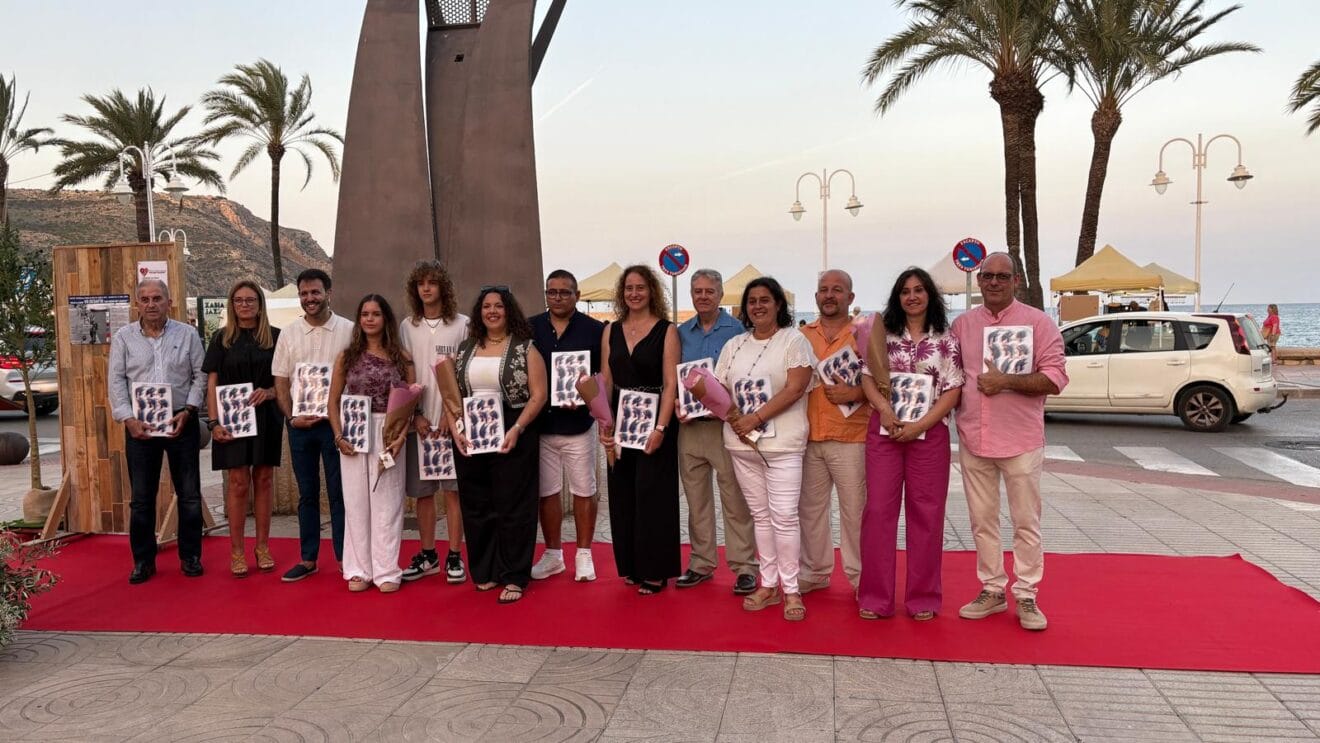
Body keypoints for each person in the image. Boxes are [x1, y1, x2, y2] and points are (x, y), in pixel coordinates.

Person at [951, 252, 1068, 631]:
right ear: (979, 280)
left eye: (1003, 276)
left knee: (1025, 521)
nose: (995, 283)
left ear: (1015, 281)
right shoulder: (962, 325)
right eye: (988, 276)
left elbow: (1055, 379)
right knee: (982, 521)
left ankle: (1028, 594)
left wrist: (1007, 381)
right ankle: (992, 589)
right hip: (974, 438)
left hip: (1021, 440)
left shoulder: (1038, 323)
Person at [857, 268, 963, 620]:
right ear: (897, 298)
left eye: (919, 290)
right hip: (885, 432)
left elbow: (952, 390)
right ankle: (874, 597)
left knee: (927, 515)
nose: (912, 296)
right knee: (878, 514)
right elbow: (868, 379)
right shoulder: (881, 336)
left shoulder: (946, 340)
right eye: (905, 291)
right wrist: (885, 412)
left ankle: (923, 598)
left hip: (929, 436)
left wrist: (920, 425)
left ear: (930, 295)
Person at [716, 276, 816, 621]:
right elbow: (719, 389)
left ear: (778, 305)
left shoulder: (794, 340)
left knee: (785, 517)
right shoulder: (734, 345)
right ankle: (768, 583)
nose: (758, 306)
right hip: (742, 445)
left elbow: (795, 388)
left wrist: (755, 417)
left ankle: (791, 589)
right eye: (752, 301)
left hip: (783, 445)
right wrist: (734, 418)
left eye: (765, 300)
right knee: (761, 516)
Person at [450, 286, 548, 604]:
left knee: (513, 506)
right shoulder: (465, 349)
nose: (492, 311)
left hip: (512, 429)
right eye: (487, 306)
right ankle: (486, 570)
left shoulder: (525, 349)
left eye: (499, 306)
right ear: (479, 312)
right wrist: (456, 430)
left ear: (509, 311)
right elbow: (452, 397)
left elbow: (539, 395)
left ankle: (514, 575)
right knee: (477, 503)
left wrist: (518, 428)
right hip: (473, 430)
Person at [108, 278, 207, 584]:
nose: (151, 304)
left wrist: (189, 411)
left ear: (169, 301)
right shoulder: (124, 338)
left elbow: (200, 376)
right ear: (137, 303)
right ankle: (143, 561)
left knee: (189, 495)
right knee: (141, 498)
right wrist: (128, 419)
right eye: (145, 299)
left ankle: (190, 556)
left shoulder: (188, 334)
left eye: (157, 298)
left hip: (181, 423)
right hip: (141, 427)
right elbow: (116, 381)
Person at [674, 269, 757, 595]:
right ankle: (701, 563)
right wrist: (677, 407)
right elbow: (675, 378)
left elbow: (745, 378)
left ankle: (745, 567)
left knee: (735, 501)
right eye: (697, 291)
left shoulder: (737, 331)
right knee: (696, 502)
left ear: (721, 295)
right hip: (690, 428)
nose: (703, 296)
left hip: (726, 428)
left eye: (709, 291)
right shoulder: (681, 333)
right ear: (692, 295)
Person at [600, 265, 681, 595]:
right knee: (623, 495)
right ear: (622, 293)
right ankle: (631, 565)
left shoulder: (667, 330)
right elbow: (605, 379)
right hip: (619, 422)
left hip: (653, 420)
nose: (634, 293)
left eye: (641, 288)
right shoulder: (610, 331)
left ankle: (655, 569)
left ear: (652, 292)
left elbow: (670, 382)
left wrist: (661, 427)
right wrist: (603, 421)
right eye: (629, 288)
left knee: (653, 495)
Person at [271, 268, 354, 582]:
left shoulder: (348, 330)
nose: (309, 299)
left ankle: (346, 558)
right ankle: (308, 559)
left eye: (315, 292)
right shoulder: (289, 333)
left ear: (328, 293)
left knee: (338, 493)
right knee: (307, 494)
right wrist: (291, 417)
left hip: (337, 426)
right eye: (304, 294)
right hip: (301, 427)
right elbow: (281, 382)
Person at [329, 295, 414, 593]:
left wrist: (401, 436)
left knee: (387, 502)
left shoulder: (402, 358)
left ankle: (387, 569)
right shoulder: (346, 357)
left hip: (388, 431)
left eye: (375, 314)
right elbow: (333, 401)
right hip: (353, 431)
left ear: (385, 319)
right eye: (364, 313)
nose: (369, 319)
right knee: (355, 501)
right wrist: (339, 436)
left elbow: (411, 402)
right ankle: (358, 569)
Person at [529, 270, 605, 582]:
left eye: (565, 292)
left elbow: (602, 376)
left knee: (584, 489)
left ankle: (584, 554)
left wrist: (589, 399)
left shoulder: (595, 330)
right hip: (543, 424)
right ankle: (553, 554)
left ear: (577, 295)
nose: (558, 297)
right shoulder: (531, 327)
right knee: (547, 492)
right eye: (552, 292)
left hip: (579, 424)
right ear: (546, 294)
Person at [203, 280, 282, 578]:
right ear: (231, 305)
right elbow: (211, 383)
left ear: (260, 304)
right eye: (238, 300)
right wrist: (213, 422)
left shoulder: (276, 337)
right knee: (237, 482)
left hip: (265, 418)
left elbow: (285, 380)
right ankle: (236, 551)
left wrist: (271, 393)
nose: (245, 305)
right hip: (231, 420)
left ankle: (262, 546)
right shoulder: (220, 338)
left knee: (263, 479)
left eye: (250, 300)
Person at [798, 269, 869, 595]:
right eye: (823, 289)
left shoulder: (865, 334)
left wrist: (856, 394)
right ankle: (814, 572)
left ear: (850, 297)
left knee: (855, 514)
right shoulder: (800, 335)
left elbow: (885, 382)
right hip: (809, 436)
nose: (829, 295)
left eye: (837, 290)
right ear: (815, 297)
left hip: (851, 437)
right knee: (810, 512)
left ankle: (860, 579)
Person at [398, 261, 468, 584]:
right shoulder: (406, 326)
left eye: (432, 283)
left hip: (452, 424)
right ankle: (428, 554)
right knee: (423, 494)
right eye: (421, 283)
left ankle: (454, 555)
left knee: (453, 493)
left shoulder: (462, 325)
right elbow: (404, 377)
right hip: (421, 425)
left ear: (443, 287)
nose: (427, 288)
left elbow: (464, 376)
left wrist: (451, 415)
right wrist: (416, 416)